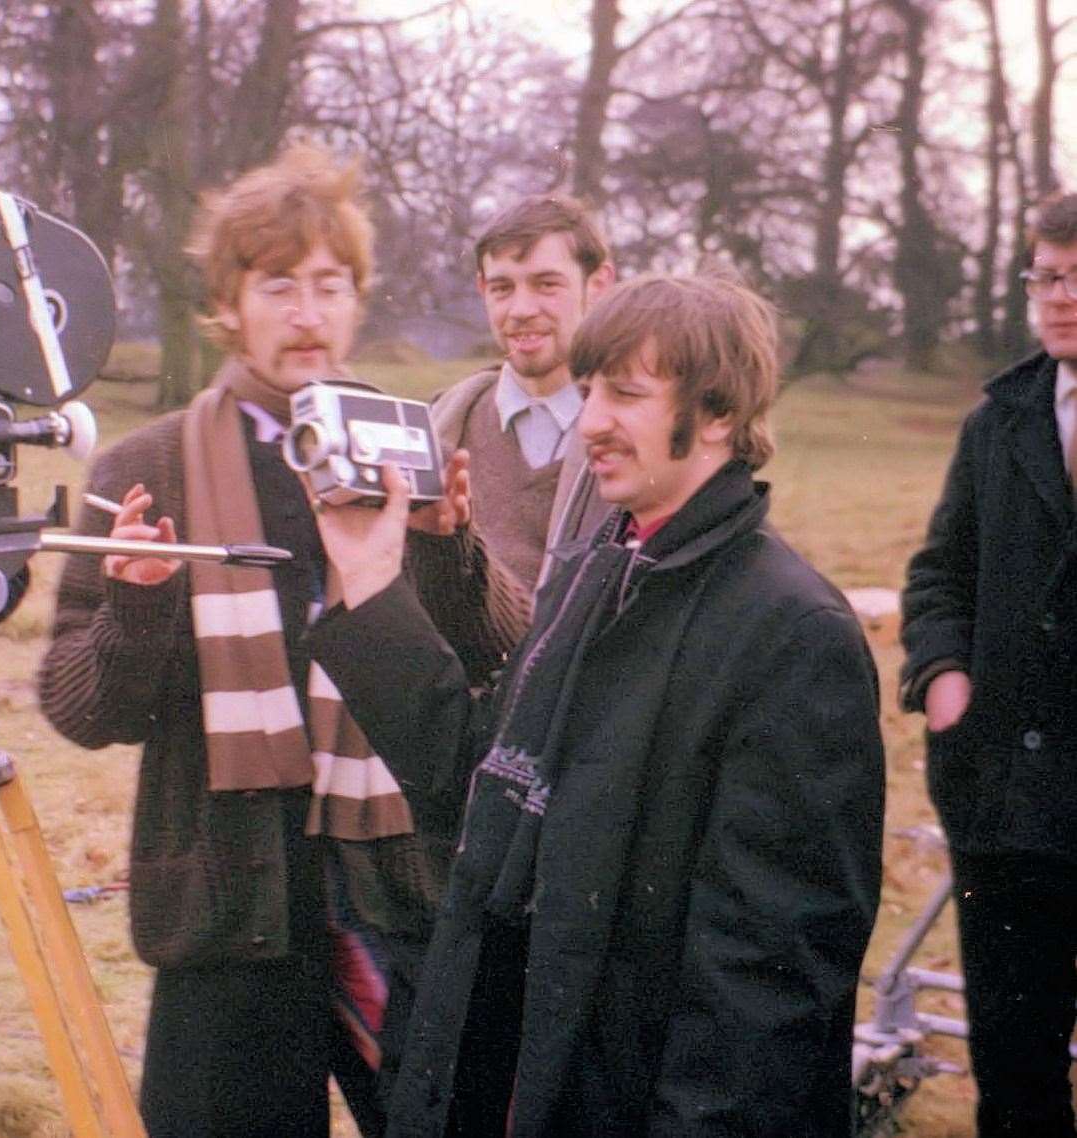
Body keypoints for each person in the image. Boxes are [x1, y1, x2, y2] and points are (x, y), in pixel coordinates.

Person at [306, 274, 885, 1137]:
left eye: (625, 392)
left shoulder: (794, 635)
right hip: (504, 1073)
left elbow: (764, 989)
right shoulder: (596, 569)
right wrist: (369, 578)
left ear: (720, 413)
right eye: (587, 392)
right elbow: (476, 778)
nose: (590, 423)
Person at [36, 143, 528, 1138]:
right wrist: (136, 601)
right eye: (278, 285)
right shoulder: (149, 466)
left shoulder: (407, 444)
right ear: (229, 304)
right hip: (228, 906)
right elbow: (79, 708)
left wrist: (447, 552)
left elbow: (498, 661)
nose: (307, 312)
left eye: (329, 285)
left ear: (356, 300)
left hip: (394, 889)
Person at [900, 191, 1077, 1137]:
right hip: (1005, 801)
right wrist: (943, 683)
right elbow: (938, 577)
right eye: (1045, 277)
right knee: (1017, 1074)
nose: (1058, 298)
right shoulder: (998, 423)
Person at [431, 194, 617, 591]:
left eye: (546, 284)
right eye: (502, 288)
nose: (521, 310)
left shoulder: (631, 435)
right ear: (482, 290)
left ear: (598, 284)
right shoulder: (441, 426)